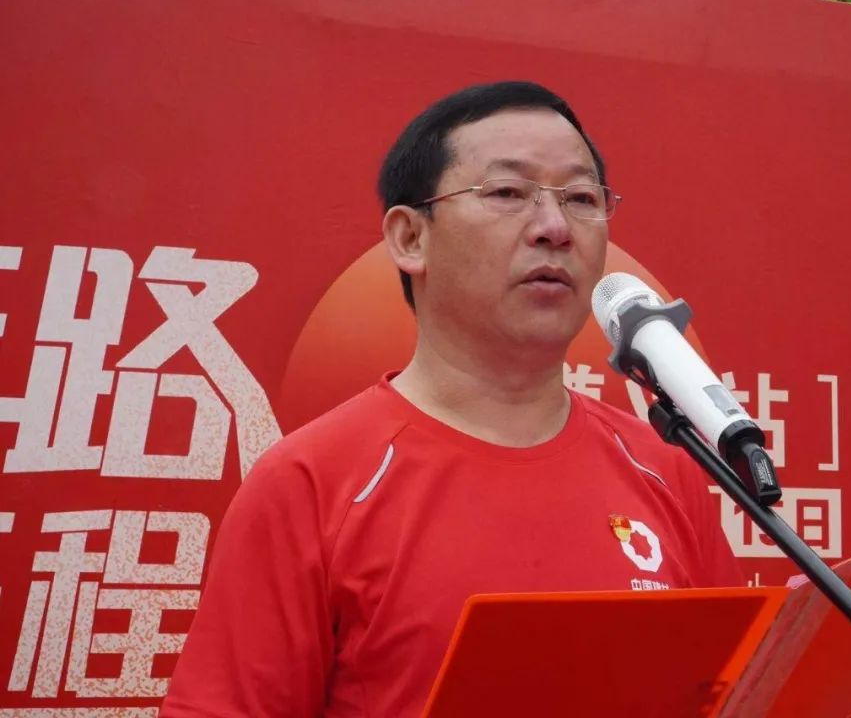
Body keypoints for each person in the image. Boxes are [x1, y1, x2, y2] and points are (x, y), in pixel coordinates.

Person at [161, 81, 743, 718]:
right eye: (507, 193)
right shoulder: (312, 483)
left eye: (581, 199)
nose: (555, 229)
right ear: (411, 238)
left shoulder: (664, 466)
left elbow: (737, 692)